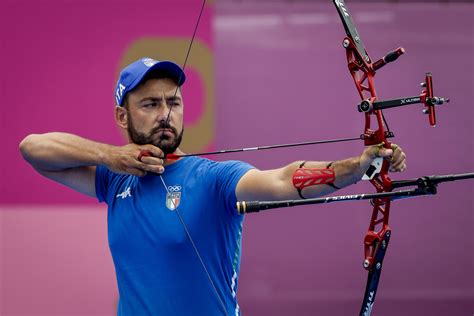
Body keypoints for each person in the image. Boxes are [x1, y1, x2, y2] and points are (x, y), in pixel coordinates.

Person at [19, 57, 406, 316]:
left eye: (173, 102)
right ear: (123, 116)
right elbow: (33, 148)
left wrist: (357, 167)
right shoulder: (112, 179)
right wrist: (110, 157)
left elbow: (282, 179)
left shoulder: (212, 178)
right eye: (150, 104)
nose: (165, 114)